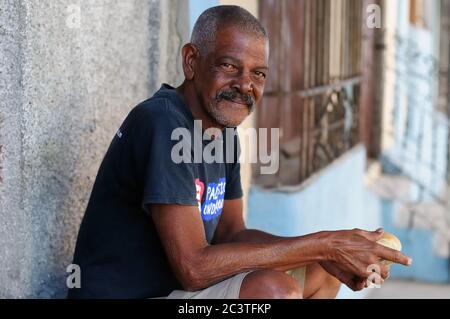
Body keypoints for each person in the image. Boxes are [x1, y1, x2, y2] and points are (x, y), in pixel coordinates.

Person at [68, 5, 412, 299]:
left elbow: (232, 234)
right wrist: (325, 244)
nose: (245, 85)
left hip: (174, 292)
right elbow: (194, 268)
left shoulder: (223, 132)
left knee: (322, 272)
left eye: (258, 74)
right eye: (229, 66)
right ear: (191, 61)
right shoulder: (162, 123)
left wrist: (327, 253)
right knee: (272, 292)